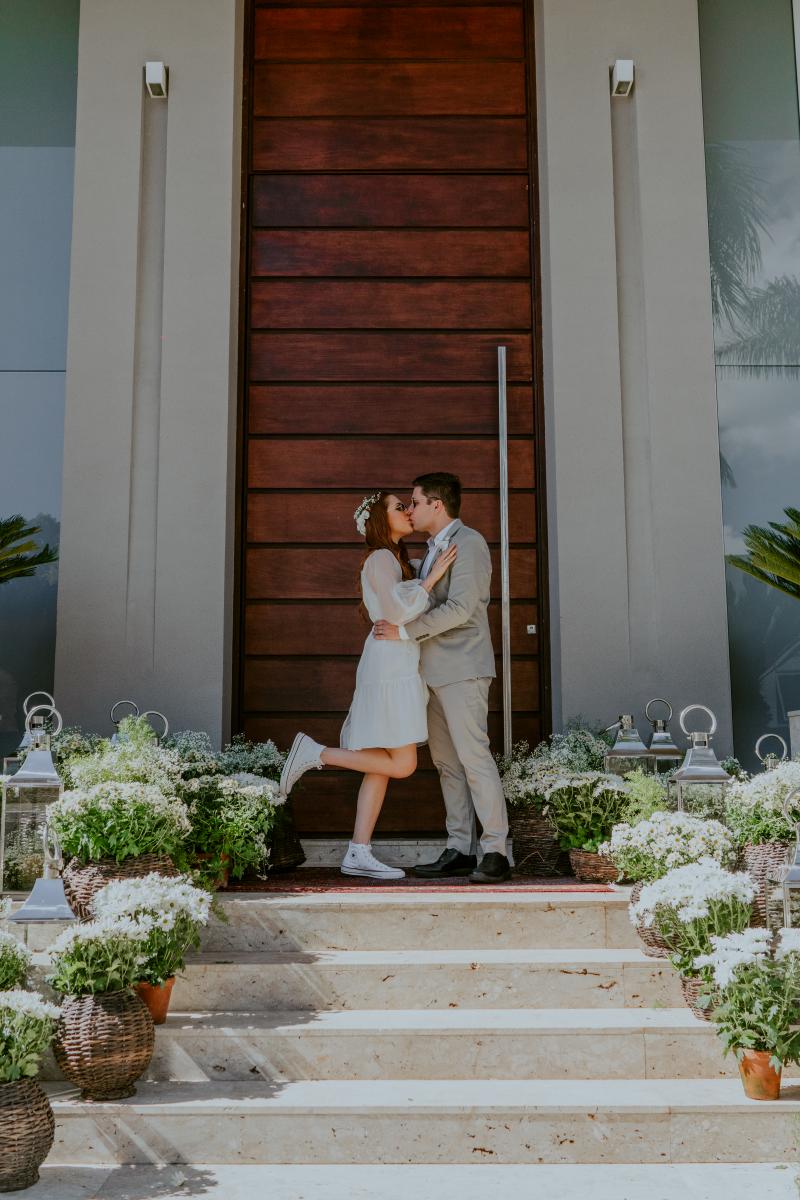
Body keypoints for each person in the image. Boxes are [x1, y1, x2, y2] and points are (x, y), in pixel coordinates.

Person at [279, 491, 457, 880]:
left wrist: (421, 576)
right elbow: (395, 610)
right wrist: (430, 581)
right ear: (381, 517)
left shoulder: (393, 559)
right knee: (404, 764)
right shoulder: (380, 557)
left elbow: (398, 606)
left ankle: (358, 851)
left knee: (382, 766)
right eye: (399, 507)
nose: (408, 511)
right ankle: (317, 753)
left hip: (396, 660)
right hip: (390, 665)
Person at [373, 472, 511, 883]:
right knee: (447, 764)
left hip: (463, 669)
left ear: (437, 504)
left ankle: (496, 850)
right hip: (429, 673)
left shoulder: (469, 543)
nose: (410, 510)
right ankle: (458, 847)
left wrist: (402, 632)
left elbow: (462, 609)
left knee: (474, 758)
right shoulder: (431, 551)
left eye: (414, 502)